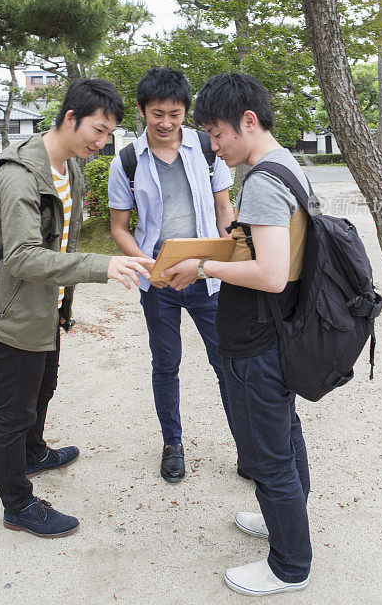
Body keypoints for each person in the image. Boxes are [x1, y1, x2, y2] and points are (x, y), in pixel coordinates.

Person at [0, 78, 154, 539]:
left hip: (44, 308)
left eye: (109, 134)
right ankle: (17, 503)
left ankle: (33, 452)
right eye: (98, 130)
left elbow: (61, 239)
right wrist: (102, 266)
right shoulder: (20, 175)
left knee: (43, 386)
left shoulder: (70, 167)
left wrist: (65, 303)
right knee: (12, 411)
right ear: (70, 118)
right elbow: (24, 256)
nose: (102, 142)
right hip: (12, 312)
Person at [163, 73, 312, 596]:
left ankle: (290, 565)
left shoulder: (264, 182)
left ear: (248, 122)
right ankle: (284, 521)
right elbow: (271, 255)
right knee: (285, 434)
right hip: (280, 330)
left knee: (269, 453)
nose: (214, 146)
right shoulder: (287, 164)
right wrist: (216, 251)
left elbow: (270, 274)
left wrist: (204, 266)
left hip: (260, 340)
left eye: (218, 133)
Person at [107, 66, 235, 483]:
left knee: (227, 362)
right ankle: (172, 444)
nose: (166, 123)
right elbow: (119, 228)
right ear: (143, 110)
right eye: (157, 113)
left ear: (185, 112)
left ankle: (249, 446)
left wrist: (230, 257)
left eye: (175, 114)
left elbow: (223, 209)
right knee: (166, 364)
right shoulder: (126, 160)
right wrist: (148, 267)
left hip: (206, 277)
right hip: (158, 282)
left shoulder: (207, 148)